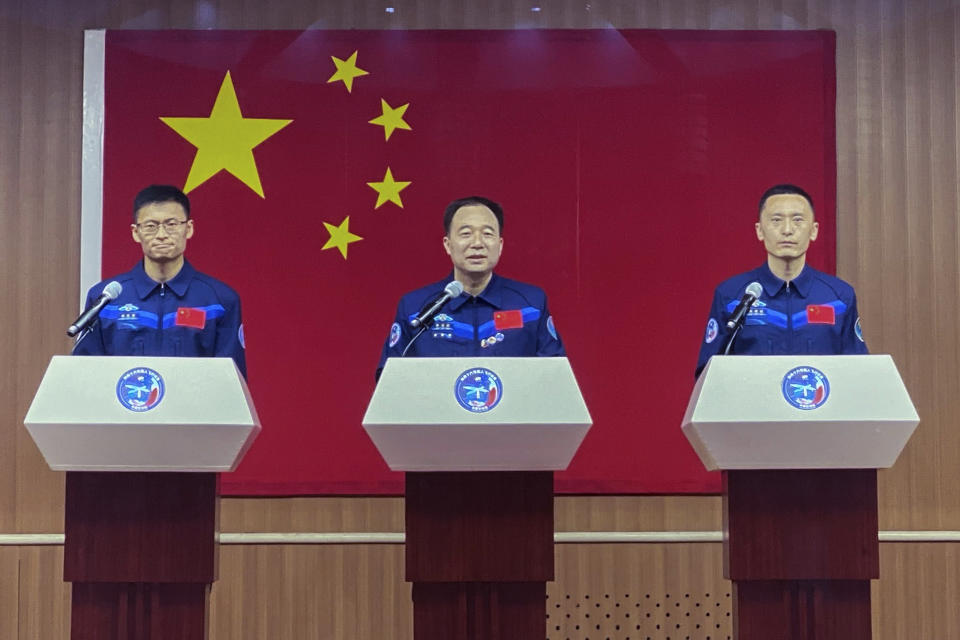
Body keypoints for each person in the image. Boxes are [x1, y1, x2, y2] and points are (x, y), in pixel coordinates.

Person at [377, 196, 564, 378]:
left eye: (487, 234)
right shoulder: (416, 308)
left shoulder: (530, 304)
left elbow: (555, 374)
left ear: (499, 246)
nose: (477, 244)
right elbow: (389, 380)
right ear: (448, 245)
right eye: (466, 234)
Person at [73, 184, 247, 378]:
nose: (162, 235)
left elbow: (232, 384)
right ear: (135, 232)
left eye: (171, 224)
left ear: (188, 229)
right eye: (151, 226)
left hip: (193, 408)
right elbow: (85, 376)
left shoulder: (219, 301)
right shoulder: (106, 298)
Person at [695, 183, 867, 376]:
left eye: (798, 220)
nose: (787, 230)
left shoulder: (839, 296)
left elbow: (857, 371)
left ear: (814, 230)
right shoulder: (733, 295)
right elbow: (708, 375)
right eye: (776, 220)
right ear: (760, 230)